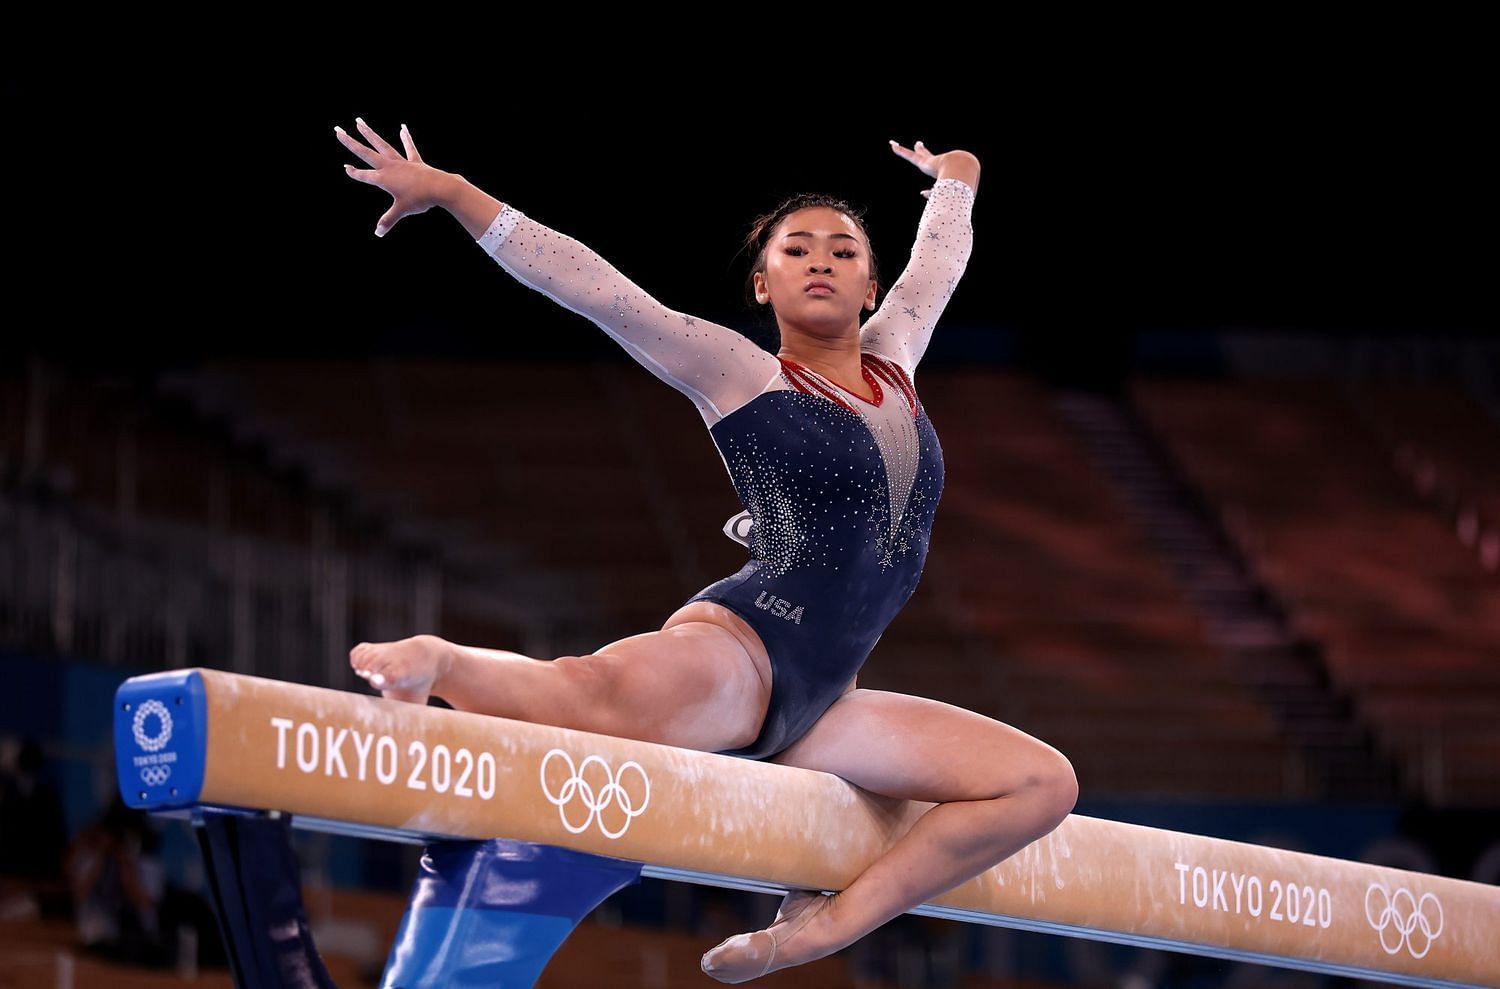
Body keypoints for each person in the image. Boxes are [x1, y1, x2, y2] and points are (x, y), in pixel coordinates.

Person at [335, 117, 1078, 983]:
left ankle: (819, 930)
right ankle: (441, 663)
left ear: (873, 285)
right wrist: (454, 194)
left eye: (843, 250)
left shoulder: (898, 356)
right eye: (795, 249)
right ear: (763, 285)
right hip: (749, 649)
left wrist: (961, 173)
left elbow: (942, 258)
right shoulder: (739, 374)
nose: (821, 260)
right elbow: (603, 292)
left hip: (825, 695)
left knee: (1041, 784)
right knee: (595, 697)